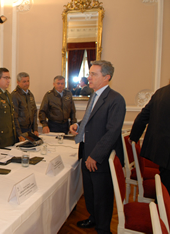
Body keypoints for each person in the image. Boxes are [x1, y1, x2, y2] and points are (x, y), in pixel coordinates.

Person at [69, 60, 126, 233]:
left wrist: (95, 155)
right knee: (91, 192)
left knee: (102, 196)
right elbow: (92, 120)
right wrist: (78, 126)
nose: (89, 77)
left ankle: (103, 228)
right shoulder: (94, 96)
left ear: (106, 77)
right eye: (89, 73)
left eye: (93, 74)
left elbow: (112, 132)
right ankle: (93, 218)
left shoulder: (116, 99)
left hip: (99, 157)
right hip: (87, 151)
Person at [130, 84, 170, 196]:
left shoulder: (161, 92)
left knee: (165, 187)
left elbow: (142, 118)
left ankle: (161, 210)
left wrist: (133, 138)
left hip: (162, 151)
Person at [11, 72, 38, 142]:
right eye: (24, 82)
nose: (27, 83)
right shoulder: (15, 95)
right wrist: (19, 134)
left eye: (28, 81)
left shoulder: (30, 94)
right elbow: (14, 116)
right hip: (20, 130)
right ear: (18, 82)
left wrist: (35, 129)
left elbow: (34, 112)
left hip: (29, 130)